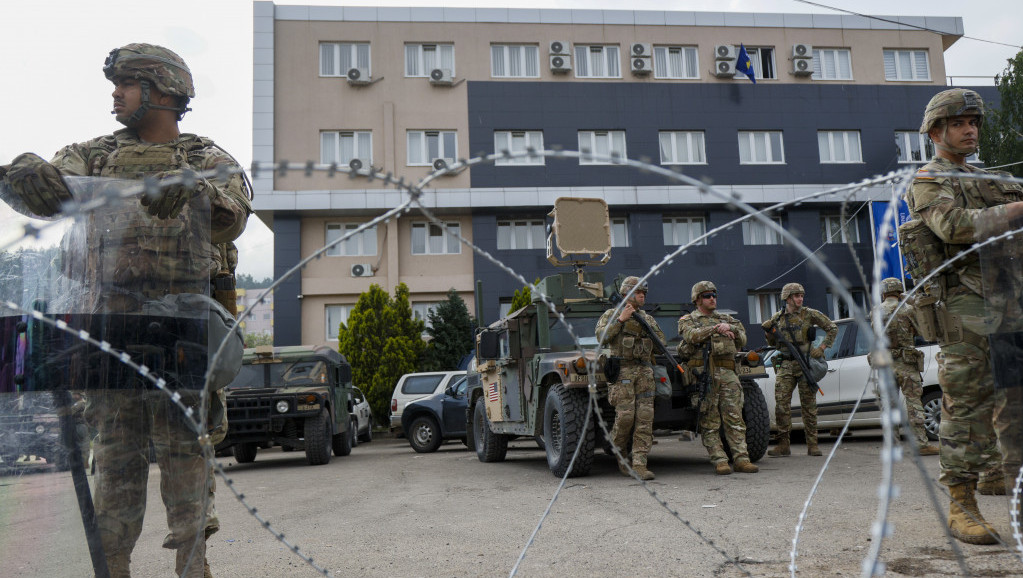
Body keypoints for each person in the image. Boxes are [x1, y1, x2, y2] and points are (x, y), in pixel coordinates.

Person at [0, 43, 251, 576]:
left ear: (162, 91)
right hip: (106, 337)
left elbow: (232, 218)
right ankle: (111, 567)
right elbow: (42, 191)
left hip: (179, 339)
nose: (115, 94)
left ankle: (193, 566)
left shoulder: (206, 159)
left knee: (186, 461)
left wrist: (193, 194)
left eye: (126, 84)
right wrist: (20, 176)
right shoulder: (91, 155)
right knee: (114, 467)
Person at [903, 88, 1023, 545]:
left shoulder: (990, 178)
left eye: (973, 122)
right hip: (966, 308)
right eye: (958, 123)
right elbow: (953, 227)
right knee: (967, 402)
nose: (970, 129)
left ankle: (997, 474)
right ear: (936, 131)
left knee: (1012, 402)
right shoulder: (929, 178)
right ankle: (960, 502)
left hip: (1008, 300)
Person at [678, 281, 758, 475]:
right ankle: (720, 460)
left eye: (714, 294)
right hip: (705, 375)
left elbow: (742, 338)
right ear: (697, 300)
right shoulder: (688, 319)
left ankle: (741, 459)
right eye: (707, 295)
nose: (712, 298)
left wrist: (728, 327)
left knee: (735, 418)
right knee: (710, 420)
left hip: (728, 373)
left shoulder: (726, 318)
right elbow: (691, 336)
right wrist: (716, 330)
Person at [595, 276, 666, 481]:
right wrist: (621, 320)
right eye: (638, 292)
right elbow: (601, 336)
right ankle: (619, 452)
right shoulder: (612, 314)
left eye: (644, 293)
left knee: (645, 418)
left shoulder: (647, 318)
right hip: (622, 371)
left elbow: (661, 342)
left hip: (644, 371)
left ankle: (639, 464)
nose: (642, 295)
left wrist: (645, 328)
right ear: (626, 294)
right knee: (625, 418)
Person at [761, 282, 837, 457]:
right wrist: (768, 333)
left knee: (809, 406)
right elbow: (773, 344)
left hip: (805, 362)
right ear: (787, 298)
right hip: (786, 363)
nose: (800, 299)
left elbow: (832, 328)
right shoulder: (777, 318)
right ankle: (783, 444)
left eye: (801, 295)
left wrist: (823, 347)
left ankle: (812, 444)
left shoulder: (809, 314)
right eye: (796, 296)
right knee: (781, 405)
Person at [871, 278, 940, 456]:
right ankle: (921, 444)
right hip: (907, 364)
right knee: (914, 403)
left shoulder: (875, 312)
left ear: (883, 292)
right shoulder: (908, 309)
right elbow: (921, 331)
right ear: (899, 290)